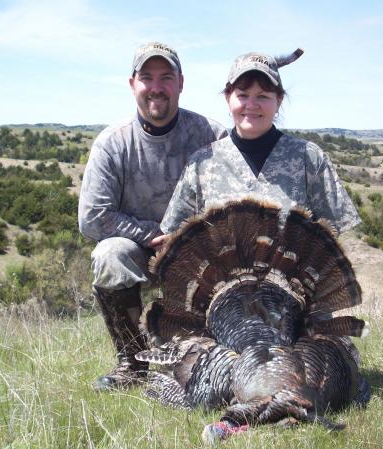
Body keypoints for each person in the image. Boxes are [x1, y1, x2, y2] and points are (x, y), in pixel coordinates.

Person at [78, 42, 227, 391]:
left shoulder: (212, 135)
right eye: (147, 77)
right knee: (109, 256)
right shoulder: (112, 143)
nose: (156, 87)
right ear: (133, 84)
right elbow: (92, 217)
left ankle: (220, 357)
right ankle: (132, 362)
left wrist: (184, 238)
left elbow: (231, 206)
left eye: (166, 77)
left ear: (180, 83)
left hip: (200, 253)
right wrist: (150, 234)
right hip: (143, 251)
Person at [160, 48, 360, 236]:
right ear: (228, 98)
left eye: (263, 96)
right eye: (242, 95)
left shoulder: (309, 157)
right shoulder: (203, 163)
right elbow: (176, 235)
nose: (251, 105)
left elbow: (337, 234)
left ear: (279, 100)